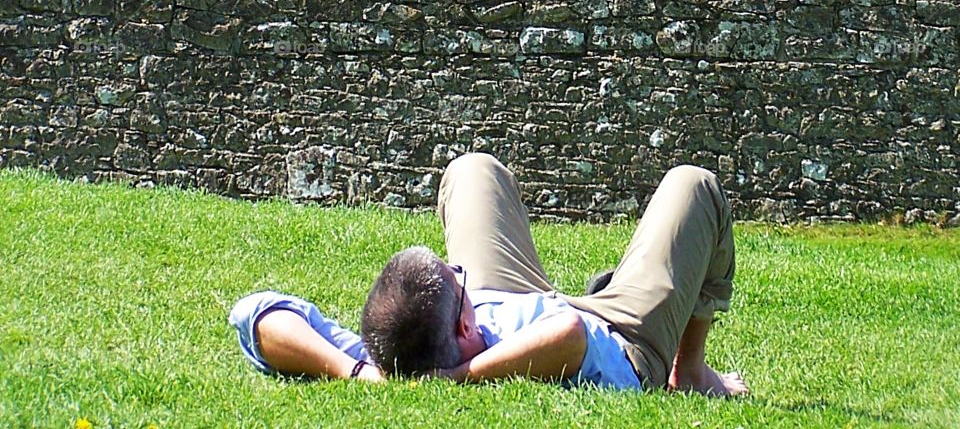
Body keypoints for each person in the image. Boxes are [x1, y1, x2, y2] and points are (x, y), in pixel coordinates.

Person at [229, 152, 747, 397]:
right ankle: (691, 373)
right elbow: (567, 334)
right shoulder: (490, 359)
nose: (460, 271)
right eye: (458, 282)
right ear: (463, 328)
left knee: (472, 171)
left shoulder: (391, 355)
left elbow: (255, 312)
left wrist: (357, 372)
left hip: (510, 297)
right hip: (621, 334)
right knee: (694, 186)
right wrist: (460, 378)